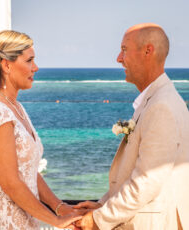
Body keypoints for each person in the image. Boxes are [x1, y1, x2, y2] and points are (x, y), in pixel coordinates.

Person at [74, 23, 189, 230]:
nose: (119, 58)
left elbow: (147, 180)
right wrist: (103, 204)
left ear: (148, 51)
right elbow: (134, 171)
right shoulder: (155, 100)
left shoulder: (161, 106)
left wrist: (98, 220)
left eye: (124, 50)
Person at [0, 30, 83, 230]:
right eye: (29, 61)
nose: (36, 67)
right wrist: (55, 221)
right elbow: (11, 183)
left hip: (24, 221)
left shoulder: (15, 108)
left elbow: (28, 171)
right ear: (6, 65)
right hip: (4, 223)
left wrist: (59, 206)